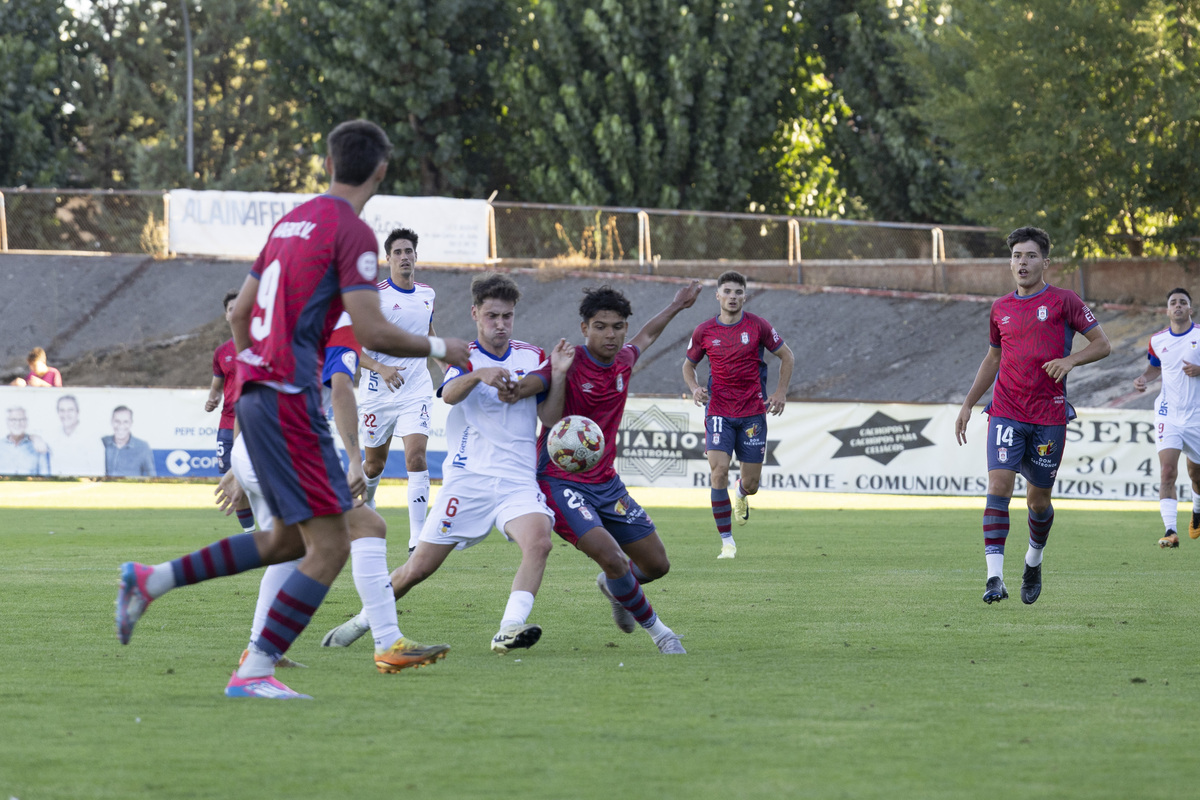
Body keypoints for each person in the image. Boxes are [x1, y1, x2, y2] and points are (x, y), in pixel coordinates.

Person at [114, 118, 471, 700]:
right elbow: (374, 330)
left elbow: (238, 315)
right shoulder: (350, 232)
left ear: (328, 164)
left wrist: (260, 364)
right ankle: (255, 670)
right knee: (331, 543)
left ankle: (150, 581)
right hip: (286, 401)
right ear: (380, 171)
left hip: (257, 395)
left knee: (287, 541)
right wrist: (441, 347)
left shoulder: (290, 221)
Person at [321, 273, 572, 655]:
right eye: (492, 316)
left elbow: (551, 417)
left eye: (507, 316)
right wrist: (479, 374)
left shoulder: (532, 356)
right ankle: (362, 621)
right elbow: (450, 394)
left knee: (539, 543)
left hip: (517, 482)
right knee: (417, 570)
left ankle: (508, 629)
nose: (500, 324)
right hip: (467, 483)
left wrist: (560, 374)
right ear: (475, 314)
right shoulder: (463, 355)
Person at [216, 310, 445, 673]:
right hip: (286, 451)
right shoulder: (338, 320)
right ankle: (389, 643)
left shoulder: (282, 318)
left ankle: (258, 651)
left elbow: (249, 385)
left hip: (264, 449)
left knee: (291, 547)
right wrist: (355, 459)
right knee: (368, 526)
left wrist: (238, 460)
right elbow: (341, 391)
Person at [537, 281, 701, 655]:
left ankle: (615, 587)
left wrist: (677, 305)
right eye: (600, 326)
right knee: (612, 558)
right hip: (560, 482)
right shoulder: (569, 362)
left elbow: (648, 334)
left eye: (616, 326)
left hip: (607, 484)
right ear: (585, 328)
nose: (609, 334)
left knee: (657, 565)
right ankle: (662, 634)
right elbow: (547, 418)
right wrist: (558, 375)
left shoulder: (624, 359)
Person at [955, 226, 1110, 605]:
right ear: (1010, 263)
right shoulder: (1000, 308)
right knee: (998, 488)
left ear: (1045, 262)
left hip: (1049, 416)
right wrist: (969, 403)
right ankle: (994, 579)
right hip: (1006, 411)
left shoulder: (1064, 301)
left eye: (1030, 256)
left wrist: (1070, 360)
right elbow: (993, 358)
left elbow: (1103, 344)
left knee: (1038, 501)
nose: (1022, 263)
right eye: (1017, 256)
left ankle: (1033, 560)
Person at [682, 270, 794, 558]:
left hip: (752, 412)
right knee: (718, 471)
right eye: (727, 292)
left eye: (738, 292)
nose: (733, 297)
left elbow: (787, 356)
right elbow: (688, 365)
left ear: (746, 296)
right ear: (717, 295)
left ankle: (742, 494)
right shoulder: (704, 331)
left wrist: (780, 392)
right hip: (718, 409)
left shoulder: (758, 326)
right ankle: (727, 542)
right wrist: (695, 388)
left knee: (752, 484)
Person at [358, 227, 439, 553]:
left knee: (416, 457)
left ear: (416, 257)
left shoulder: (427, 294)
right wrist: (381, 368)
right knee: (373, 465)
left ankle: (416, 537)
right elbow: (350, 347)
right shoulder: (373, 296)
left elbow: (430, 335)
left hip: (416, 388)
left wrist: (449, 370)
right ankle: (370, 498)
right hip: (378, 392)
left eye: (409, 251)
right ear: (388, 259)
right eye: (398, 252)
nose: (404, 257)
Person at [1132, 287, 1200, 548]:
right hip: (1168, 414)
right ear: (1168, 310)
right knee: (1167, 471)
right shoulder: (1158, 340)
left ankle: (1196, 511)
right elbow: (1154, 367)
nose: (1178, 305)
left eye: (1183, 302)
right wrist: (1143, 379)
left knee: (1196, 475)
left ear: (1190, 309)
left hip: (1196, 416)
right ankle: (1170, 531)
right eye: (1174, 302)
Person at [205, 290, 255, 532]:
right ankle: (250, 534)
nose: (235, 312)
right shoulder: (221, 352)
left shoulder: (263, 346)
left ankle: (272, 531)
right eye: (230, 309)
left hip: (256, 423)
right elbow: (216, 387)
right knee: (230, 478)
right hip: (228, 423)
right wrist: (212, 399)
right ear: (226, 316)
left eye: (240, 307)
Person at [44, 394, 104, 476]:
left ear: (77, 412)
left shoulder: (91, 437)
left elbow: (99, 472)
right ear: (58, 412)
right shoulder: (52, 435)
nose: (66, 414)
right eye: (62, 410)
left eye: (70, 410)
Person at [103, 405, 156, 477]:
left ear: (131, 423)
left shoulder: (142, 447)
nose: (121, 425)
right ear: (111, 422)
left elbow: (152, 476)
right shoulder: (103, 442)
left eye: (125, 422)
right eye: (117, 421)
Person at [0, 406, 49, 475]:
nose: (17, 423)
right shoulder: (1, 446)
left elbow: (46, 476)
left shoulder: (39, 446)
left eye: (22, 419)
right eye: (13, 420)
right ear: (7, 422)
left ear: (27, 422)